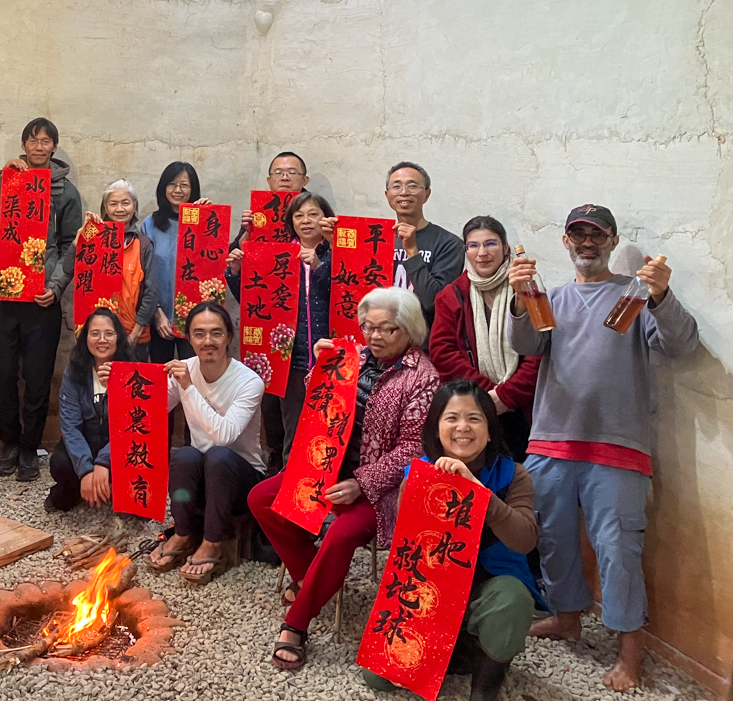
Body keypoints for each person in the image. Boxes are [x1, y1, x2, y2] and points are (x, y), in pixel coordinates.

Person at [509, 204, 699, 692]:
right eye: (578, 234)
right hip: (550, 442)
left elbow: (681, 345)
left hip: (618, 447)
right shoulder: (550, 298)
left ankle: (630, 652)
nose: (587, 242)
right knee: (553, 539)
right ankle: (567, 616)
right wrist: (517, 298)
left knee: (618, 549)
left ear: (613, 241)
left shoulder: (636, 295)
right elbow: (526, 344)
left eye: (597, 235)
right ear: (566, 242)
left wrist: (662, 295)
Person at [248, 287, 440, 671]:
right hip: (324, 470)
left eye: (388, 329)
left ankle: (297, 624)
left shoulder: (423, 378)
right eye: (369, 327)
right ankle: (316, 575)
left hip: (379, 489)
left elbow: (411, 449)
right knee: (261, 499)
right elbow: (321, 410)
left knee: (340, 533)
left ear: (410, 330)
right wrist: (320, 372)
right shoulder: (351, 358)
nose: (375, 336)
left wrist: (361, 483)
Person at [360, 380, 544, 700]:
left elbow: (525, 540)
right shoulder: (418, 477)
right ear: (436, 429)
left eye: (474, 418)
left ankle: (486, 684)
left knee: (513, 600)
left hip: (489, 586)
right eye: (451, 418)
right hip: (433, 594)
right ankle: (449, 653)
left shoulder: (513, 475)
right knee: (378, 677)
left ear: (489, 431)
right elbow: (407, 557)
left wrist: (476, 491)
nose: (463, 427)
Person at [0, 117, 83, 482]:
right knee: (2, 373)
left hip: (42, 297)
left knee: (39, 376)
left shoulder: (66, 191)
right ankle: (9, 442)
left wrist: (56, 286)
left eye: (46, 141)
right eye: (33, 140)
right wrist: (3, 177)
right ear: (24, 144)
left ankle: (29, 446)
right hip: (3, 292)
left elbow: (73, 244)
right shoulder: (7, 176)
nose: (39, 146)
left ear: (54, 147)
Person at [145, 302, 264, 584]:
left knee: (219, 455)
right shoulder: (184, 369)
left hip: (241, 479)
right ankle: (184, 534)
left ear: (229, 338)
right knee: (185, 455)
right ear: (189, 338)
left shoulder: (249, 381)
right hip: (201, 477)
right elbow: (152, 411)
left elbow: (223, 436)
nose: (207, 341)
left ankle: (213, 541)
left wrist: (187, 388)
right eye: (199, 334)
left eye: (216, 333)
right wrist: (116, 384)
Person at [430, 216, 541, 460]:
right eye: (473, 245)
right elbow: (443, 352)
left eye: (490, 244)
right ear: (466, 251)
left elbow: (538, 352)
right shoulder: (451, 295)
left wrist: (506, 397)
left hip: (522, 409)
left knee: (518, 484)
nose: (482, 253)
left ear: (505, 248)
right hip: (470, 410)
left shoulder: (527, 291)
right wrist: (486, 397)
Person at [224, 153, 309, 466]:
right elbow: (240, 287)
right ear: (269, 181)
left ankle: (297, 471)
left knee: (301, 413)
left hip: (304, 337)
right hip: (267, 334)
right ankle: (276, 462)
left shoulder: (315, 224)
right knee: (270, 404)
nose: (285, 177)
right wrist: (247, 234)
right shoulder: (254, 229)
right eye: (278, 172)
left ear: (305, 182)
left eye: (292, 172)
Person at [52, 178, 158, 360]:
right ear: (105, 208)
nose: (120, 209)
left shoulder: (143, 244)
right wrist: (79, 240)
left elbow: (151, 292)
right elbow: (69, 268)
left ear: (134, 206)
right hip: (96, 336)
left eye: (125, 203)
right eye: (113, 203)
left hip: (132, 335)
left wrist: (136, 333)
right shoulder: (92, 237)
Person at [45, 308, 134, 512]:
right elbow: (70, 427)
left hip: (119, 444)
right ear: (85, 338)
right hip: (86, 439)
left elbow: (130, 428)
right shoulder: (74, 371)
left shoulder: (132, 372)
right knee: (60, 462)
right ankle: (78, 488)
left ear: (118, 337)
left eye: (109, 334)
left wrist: (104, 462)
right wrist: (85, 470)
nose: (102, 340)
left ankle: (114, 489)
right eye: (95, 333)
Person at [271, 192, 337, 463]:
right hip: (292, 360)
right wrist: (236, 272)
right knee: (294, 431)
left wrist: (320, 266)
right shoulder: (280, 256)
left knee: (329, 431)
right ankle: (287, 492)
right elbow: (258, 302)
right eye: (299, 216)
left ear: (326, 218)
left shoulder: (340, 253)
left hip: (332, 357)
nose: (306, 221)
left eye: (313, 214)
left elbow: (349, 295)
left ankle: (325, 498)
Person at [385, 161, 463, 335]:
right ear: (387, 194)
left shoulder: (448, 243)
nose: (404, 192)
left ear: (427, 194)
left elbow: (434, 302)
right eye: (396, 186)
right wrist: (334, 245)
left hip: (424, 343)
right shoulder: (376, 239)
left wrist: (412, 251)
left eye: (412, 186)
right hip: (380, 340)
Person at [141, 162, 204, 364]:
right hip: (159, 316)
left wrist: (209, 217)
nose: (178, 190)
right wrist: (157, 313)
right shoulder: (149, 224)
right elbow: (144, 274)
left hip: (196, 319)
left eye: (184, 185)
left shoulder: (205, 221)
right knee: (161, 377)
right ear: (163, 188)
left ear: (193, 188)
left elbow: (212, 267)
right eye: (172, 184)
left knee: (195, 379)